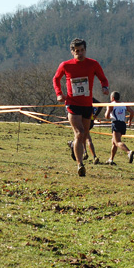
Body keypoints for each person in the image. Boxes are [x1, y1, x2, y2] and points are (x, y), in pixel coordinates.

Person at [53, 38, 109, 177]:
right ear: (72, 52)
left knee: (83, 135)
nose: (80, 53)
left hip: (87, 105)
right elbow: (56, 79)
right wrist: (59, 94)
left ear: (85, 50)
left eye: (82, 50)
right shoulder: (65, 65)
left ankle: (74, 145)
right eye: (77, 51)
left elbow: (103, 78)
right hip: (72, 104)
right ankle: (80, 165)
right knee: (79, 132)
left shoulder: (93, 64)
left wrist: (105, 87)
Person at [69, 97, 102, 164]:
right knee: (85, 137)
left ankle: (86, 153)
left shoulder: (83, 98)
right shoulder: (90, 98)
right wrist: (96, 115)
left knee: (82, 136)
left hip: (85, 120)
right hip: (90, 120)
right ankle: (89, 154)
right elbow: (100, 105)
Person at [104, 91, 134, 165]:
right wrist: (129, 121)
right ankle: (111, 159)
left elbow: (107, 116)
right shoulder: (124, 104)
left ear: (113, 98)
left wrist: (108, 110)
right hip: (122, 124)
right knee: (114, 142)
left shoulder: (111, 105)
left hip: (116, 123)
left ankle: (128, 152)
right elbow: (132, 112)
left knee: (117, 142)